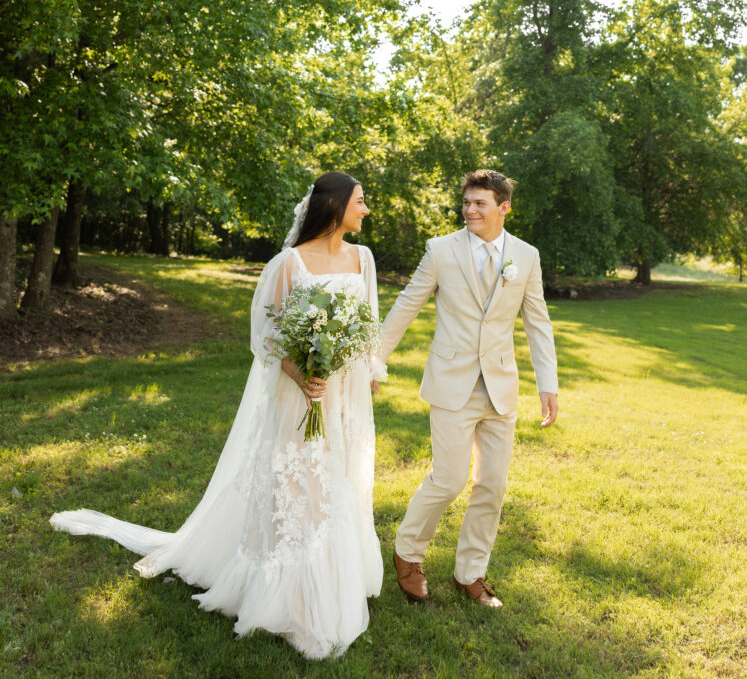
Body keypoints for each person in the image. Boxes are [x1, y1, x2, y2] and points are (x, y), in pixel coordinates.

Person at [50, 172, 385, 659]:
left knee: (338, 479)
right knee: (299, 486)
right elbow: (266, 337)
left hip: (345, 396)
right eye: (360, 201)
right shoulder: (287, 264)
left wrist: (367, 368)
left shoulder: (364, 259)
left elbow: (368, 323)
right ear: (334, 206)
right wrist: (302, 375)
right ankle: (290, 596)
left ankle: (335, 574)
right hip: (299, 393)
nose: (366, 209)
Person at [381, 169, 558, 608]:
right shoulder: (441, 250)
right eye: (466, 203)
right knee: (449, 478)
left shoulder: (526, 255)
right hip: (451, 383)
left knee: (492, 486)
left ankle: (470, 574)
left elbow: (537, 321)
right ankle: (408, 554)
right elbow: (408, 304)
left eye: (480, 203)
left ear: (503, 207)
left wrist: (547, 383)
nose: (470, 210)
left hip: (500, 386)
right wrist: (374, 356)